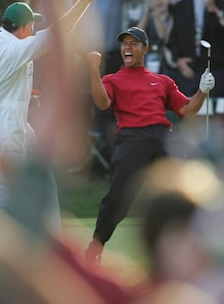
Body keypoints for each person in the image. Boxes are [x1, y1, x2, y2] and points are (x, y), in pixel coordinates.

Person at [84, 26, 215, 267]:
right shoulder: (112, 79)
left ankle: (201, 244)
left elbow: (187, 110)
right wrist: (93, 69)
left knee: (186, 186)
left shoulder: (162, 81)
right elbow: (102, 103)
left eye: (134, 43)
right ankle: (96, 245)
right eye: (125, 43)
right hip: (132, 138)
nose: (128, 48)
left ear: (145, 49)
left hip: (163, 136)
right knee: (118, 198)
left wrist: (202, 91)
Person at [0, 0, 97, 218]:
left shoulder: (0, 40)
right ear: (24, 27)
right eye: (32, 24)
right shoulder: (11, 48)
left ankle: (48, 239)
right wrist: (84, 0)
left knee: (42, 177)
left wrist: (25, 96)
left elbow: (3, 81)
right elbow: (55, 36)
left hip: (13, 122)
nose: (33, 29)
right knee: (8, 190)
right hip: (6, 129)